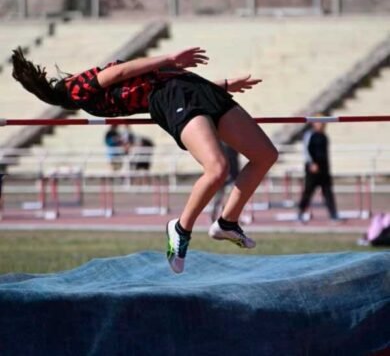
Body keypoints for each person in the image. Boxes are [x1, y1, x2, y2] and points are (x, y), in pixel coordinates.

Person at [11, 46, 278, 273]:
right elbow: (122, 73)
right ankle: (180, 229)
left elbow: (146, 80)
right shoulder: (77, 90)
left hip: (194, 87)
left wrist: (223, 86)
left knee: (265, 155)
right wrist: (170, 58)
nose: (93, 71)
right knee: (217, 168)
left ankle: (227, 223)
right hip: (172, 95)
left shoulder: (104, 95)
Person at [297, 119, 339, 222]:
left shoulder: (324, 136)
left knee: (328, 192)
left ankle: (333, 215)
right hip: (312, 169)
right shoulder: (309, 135)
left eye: (323, 123)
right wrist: (311, 163)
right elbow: (306, 150)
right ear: (314, 123)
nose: (322, 125)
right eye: (319, 122)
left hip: (324, 169)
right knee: (308, 192)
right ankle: (300, 213)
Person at [211, 143, 240, 222]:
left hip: (231, 174)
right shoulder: (221, 145)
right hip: (223, 173)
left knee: (229, 198)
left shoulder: (234, 144)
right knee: (219, 198)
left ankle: (226, 219)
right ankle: (215, 217)